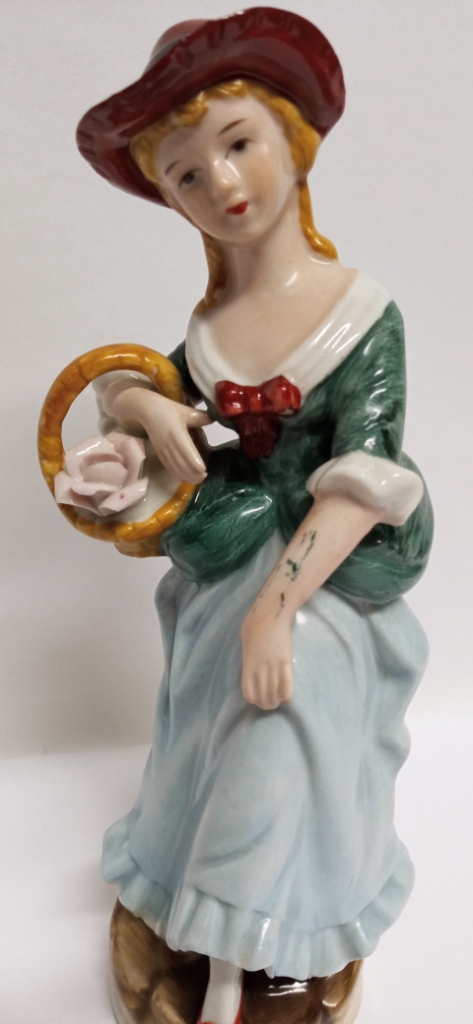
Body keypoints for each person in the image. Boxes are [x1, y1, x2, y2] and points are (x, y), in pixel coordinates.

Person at [76, 10, 433, 1024]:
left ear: (293, 140)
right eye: (186, 174)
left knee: (286, 698)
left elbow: (363, 476)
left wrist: (274, 610)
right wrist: (140, 411)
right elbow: (140, 394)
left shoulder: (360, 313)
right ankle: (196, 914)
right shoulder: (209, 328)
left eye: (238, 143)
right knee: (207, 713)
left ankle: (268, 950)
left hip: (328, 570)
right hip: (230, 555)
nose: (221, 183)